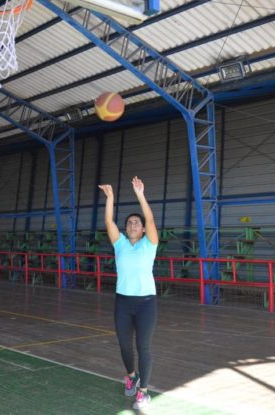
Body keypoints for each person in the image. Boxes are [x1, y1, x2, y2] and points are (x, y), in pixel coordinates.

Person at [98, 176, 159, 411]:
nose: (133, 224)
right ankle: (131, 376)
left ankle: (143, 392)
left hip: (146, 304)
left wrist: (140, 194)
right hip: (123, 302)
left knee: (143, 347)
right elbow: (108, 221)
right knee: (125, 346)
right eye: (130, 223)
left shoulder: (149, 243)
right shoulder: (120, 244)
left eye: (137, 223)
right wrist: (110, 197)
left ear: (143, 229)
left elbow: (151, 219)